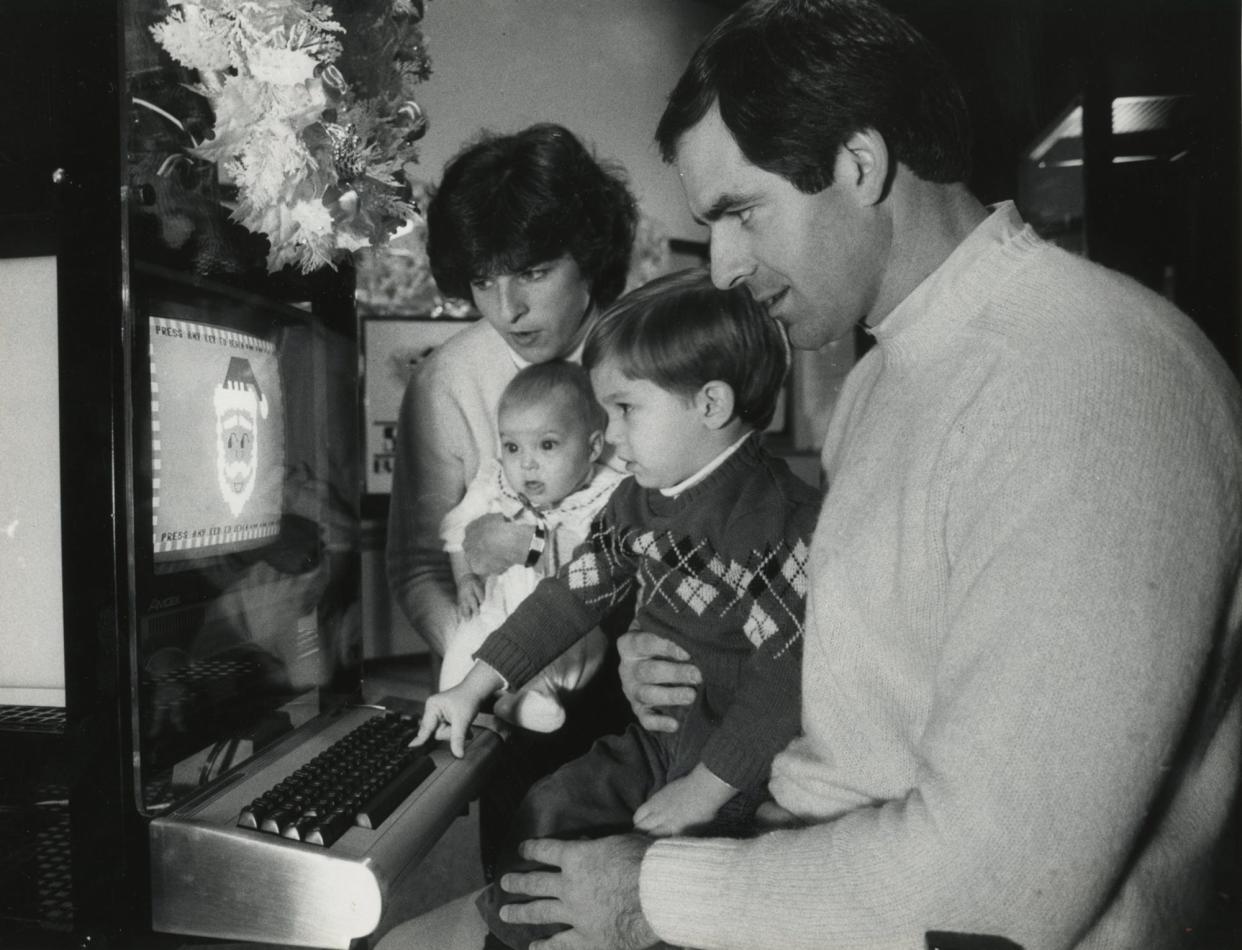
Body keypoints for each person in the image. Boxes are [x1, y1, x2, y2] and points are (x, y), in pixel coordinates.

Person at [378, 2, 1242, 948]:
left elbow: (999, 892)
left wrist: (653, 898)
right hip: (786, 871)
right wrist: (649, 646)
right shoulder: (883, 381)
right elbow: (846, 670)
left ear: (860, 163)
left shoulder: (1090, 371)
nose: (727, 267)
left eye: (742, 214)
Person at [413, 268, 821, 950]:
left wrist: (705, 792)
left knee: (673, 874)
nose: (607, 434)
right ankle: (521, 935)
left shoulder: (777, 522)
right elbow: (570, 595)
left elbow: (787, 682)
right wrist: (472, 684)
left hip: (740, 767)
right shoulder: (636, 501)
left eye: (626, 409)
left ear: (711, 404)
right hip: (657, 742)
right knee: (547, 808)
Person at [384, 122, 639, 879]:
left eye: (532, 272)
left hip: (655, 699)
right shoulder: (447, 381)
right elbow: (415, 562)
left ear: (589, 256)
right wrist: (482, 664)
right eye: (483, 281)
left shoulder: (655, 352)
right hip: (514, 709)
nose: (508, 308)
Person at [439, 360, 625, 733]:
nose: (526, 464)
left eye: (547, 445)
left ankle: (533, 695)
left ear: (592, 447)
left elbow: (601, 562)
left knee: (580, 646)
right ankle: (454, 700)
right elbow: (457, 532)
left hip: (567, 617)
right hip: (499, 604)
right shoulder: (496, 483)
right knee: (467, 636)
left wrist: (537, 545)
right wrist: (465, 580)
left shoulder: (609, 494)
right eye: (512, 446)